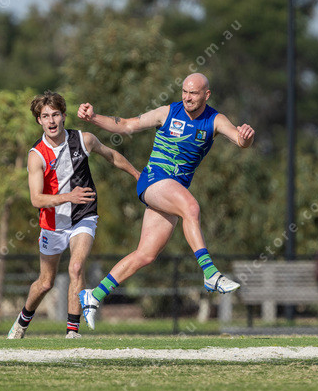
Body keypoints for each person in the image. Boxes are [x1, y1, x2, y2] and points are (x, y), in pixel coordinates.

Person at [77, 73, 255, 329]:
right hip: (154, 179)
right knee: (191, 207)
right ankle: (210, 273)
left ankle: (93, 295)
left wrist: (246, 137)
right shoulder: (167, 112)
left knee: (145, 255)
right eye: (184, 91)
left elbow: (240, 140)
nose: (187, 97)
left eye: (193, 93)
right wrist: (93, 117)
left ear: (207, 95)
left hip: (172, 189)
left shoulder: (215, 120)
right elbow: (126, 125)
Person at [7, 90, 140, 339]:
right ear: (39, 120)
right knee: (45, 283)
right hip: (52, 224)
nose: (51, 121)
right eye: (45, 116)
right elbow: (36, 199)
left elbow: (111, 155)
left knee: (76, 267)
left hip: (84, 215)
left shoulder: (84, 139)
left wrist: (137, 175)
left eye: (55, 114)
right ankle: (22, 321)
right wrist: (68, 196)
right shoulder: (36, 155)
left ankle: (72, 331)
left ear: (64, 116)